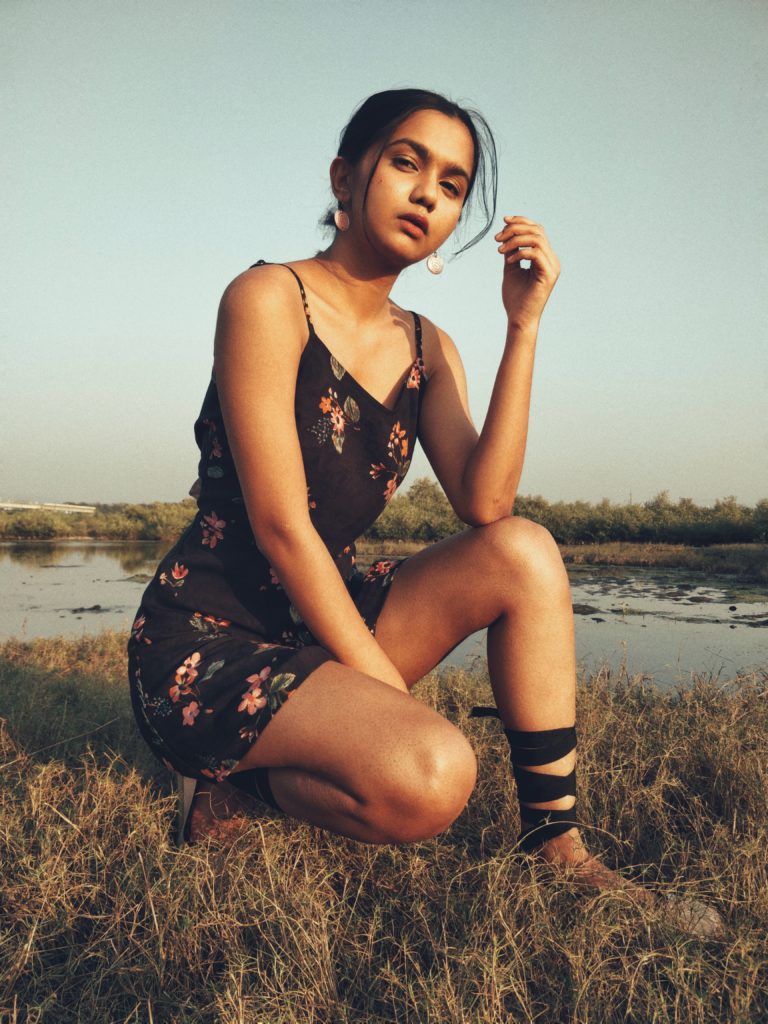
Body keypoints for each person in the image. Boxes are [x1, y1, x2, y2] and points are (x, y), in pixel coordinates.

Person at [127, 88, 723, 935]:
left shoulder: (427, 347)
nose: (427, 194)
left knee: (523, 549)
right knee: (433, 775)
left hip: (321, 613)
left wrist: (523, 326)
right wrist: (387, 694)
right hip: (207, 636)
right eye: (406, 163)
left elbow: (486, 502)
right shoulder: (267, 298)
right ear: (345, 177)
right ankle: (226, 781)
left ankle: (555, 846)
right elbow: (282, 528)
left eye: (451, 184)